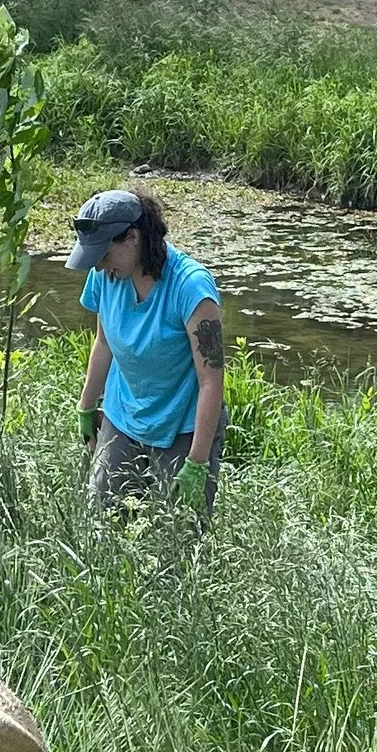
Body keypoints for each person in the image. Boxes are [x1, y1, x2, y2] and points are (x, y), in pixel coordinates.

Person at [68, 185, 226, 517]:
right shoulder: (107, 276)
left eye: (104, 255)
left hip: (182, 427)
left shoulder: (191, 287)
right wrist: (86, 407)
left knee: (180, 532)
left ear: (133, 238)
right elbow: (104, 343)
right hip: (122, 415)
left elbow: (211, 381)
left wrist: (198, 461)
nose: (98, 267)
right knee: (103, 519)